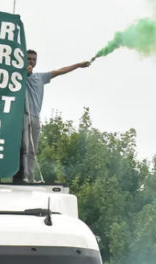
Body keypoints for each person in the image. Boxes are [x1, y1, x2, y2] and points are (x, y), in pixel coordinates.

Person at [17, 50, 90, 183]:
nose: (31, 62)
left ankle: (31, 178)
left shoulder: (41, 77)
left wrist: (79, 65)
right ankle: (23, 176)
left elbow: (61, 71)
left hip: (35, 117)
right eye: (29, 59)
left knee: (33, 149)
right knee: (25, 147)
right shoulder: (19, 76)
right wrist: (24, 73)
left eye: (34, 59)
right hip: (24, 116)